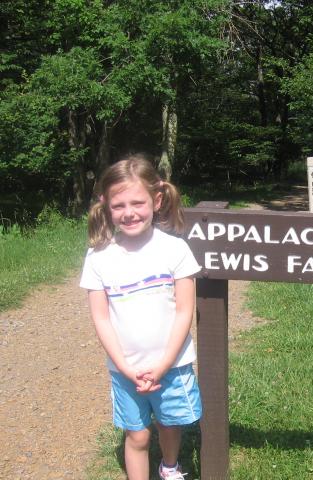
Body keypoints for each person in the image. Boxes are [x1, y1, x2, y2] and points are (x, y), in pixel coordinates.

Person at [80, 153, 202, 480]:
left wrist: (162, 365)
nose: (129, 213)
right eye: (119, 206)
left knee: (169, 423)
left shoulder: (175, 250)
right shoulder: (98, 257)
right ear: (105, 205)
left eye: (137, 203)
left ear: (157, 200)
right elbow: (101, 318)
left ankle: (170, 466)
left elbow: (184, 312)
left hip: (172, 366)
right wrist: (125, 367)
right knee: (138, 435)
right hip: (125, 370)